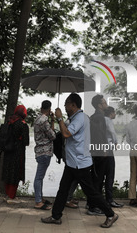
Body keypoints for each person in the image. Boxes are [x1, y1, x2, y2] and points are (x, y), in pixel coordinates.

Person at [41, 93, 118, 228]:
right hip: (72, 162)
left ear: (73, 105)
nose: (64, 106)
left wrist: (59, 118)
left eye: (66, 103)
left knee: (91, 192)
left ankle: (110, 214)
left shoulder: (80, 118)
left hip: (79, 163)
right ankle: (56, 216)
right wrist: (58, 120)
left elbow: (65, 134)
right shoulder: (75, 118)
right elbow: (64, 131)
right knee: (63, 190)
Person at [2, 105, 29, 202]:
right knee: (15, 173)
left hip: (7, 151)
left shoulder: (9, 121)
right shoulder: (22, 124)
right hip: (18, 152)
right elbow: (26, 141)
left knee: (8, 172)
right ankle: (11, 197)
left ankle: (7, 195)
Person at [87, 94, 109, 215]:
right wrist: (104, 149)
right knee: (98, 180)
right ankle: (93, 206)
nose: (106, 104)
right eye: (104, 102)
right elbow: (100, 135)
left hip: (94, 151)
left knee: (95, 178)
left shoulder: (94, 116)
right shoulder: (100, 117)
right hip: (99, 152)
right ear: (99, 105)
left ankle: (92, 203)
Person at [33, 100, 56, 210]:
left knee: (40, 177)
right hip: (45, 151)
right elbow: (53, 136)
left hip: (39, 151)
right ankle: (38, 202)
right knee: (39, 177)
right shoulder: (44, 120)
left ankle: (40, 198)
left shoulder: (37, 118)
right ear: (49, 109)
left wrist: (51, 120)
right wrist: (53, 121)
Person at [104, 106, 123, 208]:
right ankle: (109, 200)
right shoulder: (108, 121)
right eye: (115, 112)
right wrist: (116, 142)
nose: (115, 114)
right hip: (108, 149)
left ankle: (104, 199)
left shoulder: (102, 119)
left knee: (102, 175)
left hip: (102, 149)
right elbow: (112, 132)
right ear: (111, 113)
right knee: (110, 175)